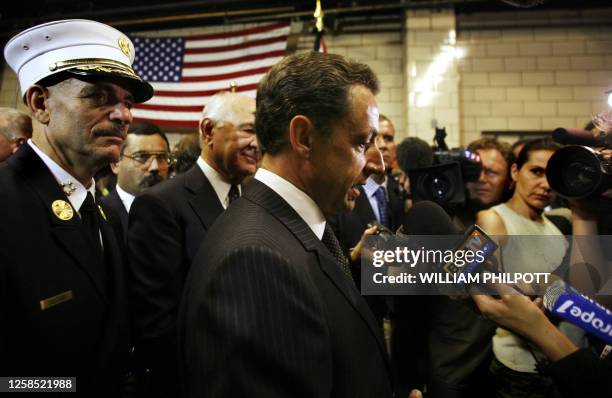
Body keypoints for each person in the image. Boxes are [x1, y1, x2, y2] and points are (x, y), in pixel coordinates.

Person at [178, 52, 392, 397]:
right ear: (304, 137)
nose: (378, 164)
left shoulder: (298, 226)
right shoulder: (255, 262)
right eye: (361, 143)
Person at [0, 19, 153, 396]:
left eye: (127, 102)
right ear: (40, 104)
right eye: (98, 97)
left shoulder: (105, 212)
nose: (123, 115)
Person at [127, 91, 258, 397]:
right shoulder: (161, 205)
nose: (258, 142)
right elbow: (158, 326)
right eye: (249, 130)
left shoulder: (253, 201)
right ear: (208, 131)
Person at [477, 138, 568, 397]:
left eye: (553, 176)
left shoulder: (557, 232)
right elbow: (474, 279)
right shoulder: (492, 218)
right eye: (536, 172)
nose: (545, 184)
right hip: (512, 367)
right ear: (516, 172)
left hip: (551, 363)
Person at [100, 121, 170, 239]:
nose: (155, 167)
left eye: (161, 157)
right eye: (142, 157)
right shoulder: (99, 215)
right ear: (115, 164)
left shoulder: (179, 212)